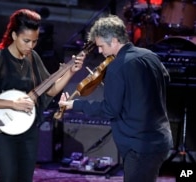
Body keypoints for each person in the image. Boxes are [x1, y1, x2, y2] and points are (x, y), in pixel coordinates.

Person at [0, 9, 85, 182]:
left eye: (34, 41)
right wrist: (12, 104)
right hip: (5, 133)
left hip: (29, 132)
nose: (30, 46)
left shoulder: (32, 57)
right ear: (13, 35)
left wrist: (71, 71)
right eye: (26, 41)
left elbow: (50, 90)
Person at [58, 15, 173, 182]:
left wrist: (75, 104)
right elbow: (165, 79)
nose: (99, 51)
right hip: (160, 140)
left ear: (113, 40)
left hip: (138, 146)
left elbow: (109, 110)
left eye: (101, 46)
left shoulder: (117, 68)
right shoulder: (149, 55)